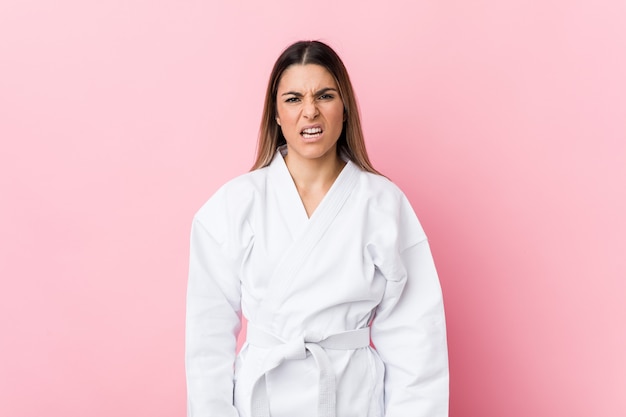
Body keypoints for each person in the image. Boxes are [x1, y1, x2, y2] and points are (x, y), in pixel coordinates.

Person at [186, 40, 449, 417]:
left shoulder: (382, 204)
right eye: (293, 99)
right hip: (263, 401)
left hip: (352, 400)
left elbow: (417, 340)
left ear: (344, 108)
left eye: (324, 96)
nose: (310, 111)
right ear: (275, 113)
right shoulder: (234, 205)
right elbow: (205, 340)